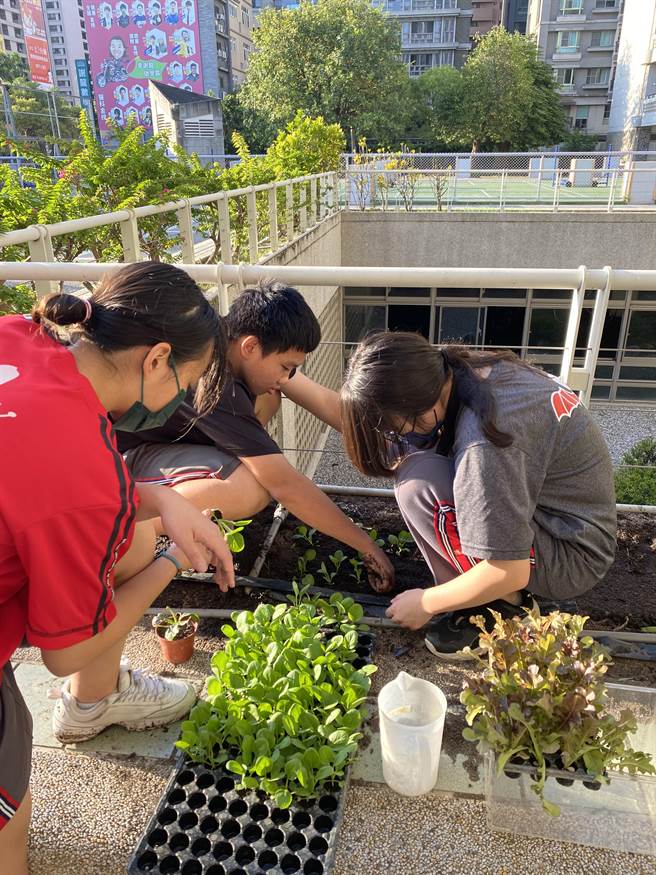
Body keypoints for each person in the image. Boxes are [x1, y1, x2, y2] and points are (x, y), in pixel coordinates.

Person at [0, 262, 235, 874]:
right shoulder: (83, 467)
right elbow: (65, 655)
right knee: (8, 820)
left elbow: (36, 477)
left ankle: (98, 702)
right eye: (190, 378)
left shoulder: (18, 336)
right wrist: (169, 560)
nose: (186, 396)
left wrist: (159, 499)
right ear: (157, 359)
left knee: (119, 542)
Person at [340, 332, 616, 658]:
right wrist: (291, 383)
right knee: (422, 467)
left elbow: (508, 569)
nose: (393, 437)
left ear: (419, 408)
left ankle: (506, 609)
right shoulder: (466, 370)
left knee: (418, 485)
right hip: (570, 522)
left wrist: (428, 601)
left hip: (571, 555)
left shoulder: (483, 445)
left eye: (392, 428)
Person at [119, 282, 395, 593]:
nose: (287, 377)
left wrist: (396, 443)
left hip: (161, 444)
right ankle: (131, 529)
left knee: (269, 396)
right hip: (122, 463)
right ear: (250, 346)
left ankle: (209, 486)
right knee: (250, 489)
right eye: (286, 367)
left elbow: (325, 403)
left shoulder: (229, 336)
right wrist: (366, 545)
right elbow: (286, 486)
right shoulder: (218, 382)